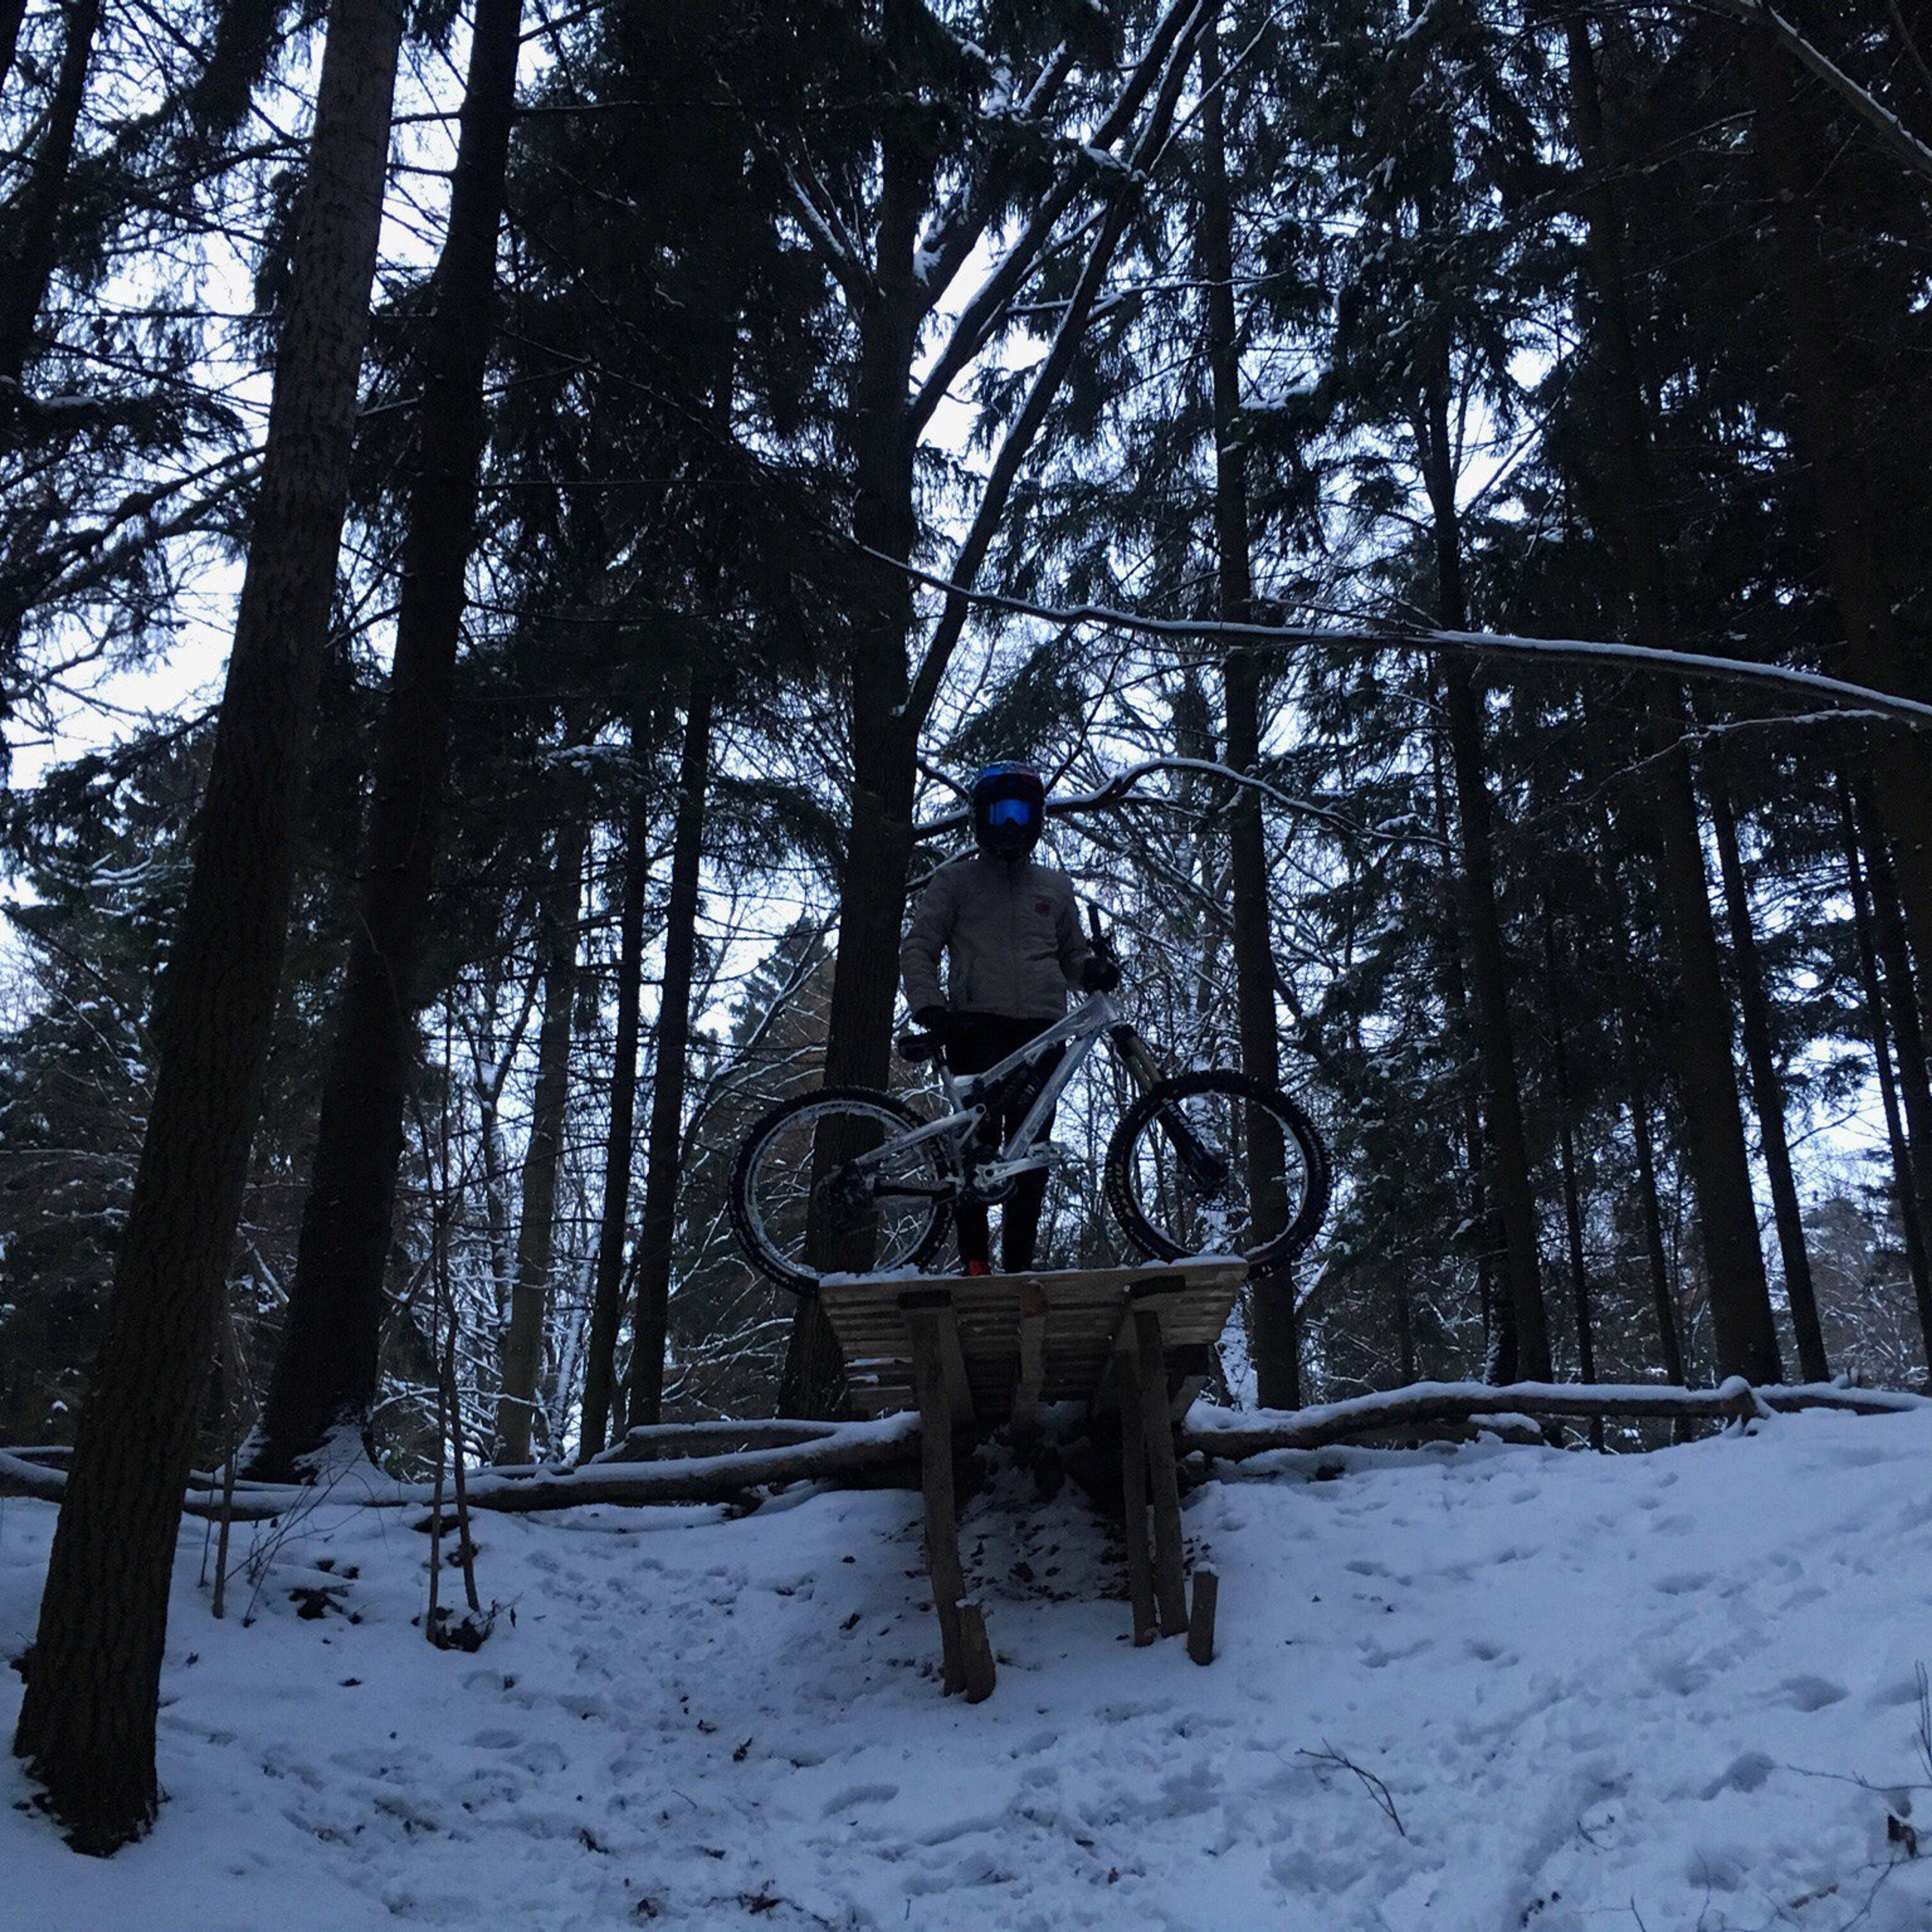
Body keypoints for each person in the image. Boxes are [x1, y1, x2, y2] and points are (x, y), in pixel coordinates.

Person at [899, 761, 1119, 1275]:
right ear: (981, 818)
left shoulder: (1055, 886)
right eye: (1001, 813)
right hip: (972, 1026)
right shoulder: (955, 882)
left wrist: (1092, 971)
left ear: (1037, 818)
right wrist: (929, 1006)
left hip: (1042, 1031)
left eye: (1022, 813)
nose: (1011, 825)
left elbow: (1070, 956)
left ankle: (1020, 1269)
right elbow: (920, 946)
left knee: (1032, 1154)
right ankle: (976, 1264)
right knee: (974, 1150)